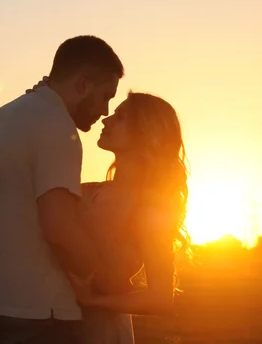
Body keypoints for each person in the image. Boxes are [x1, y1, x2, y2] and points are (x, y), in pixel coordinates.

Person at [0, 35, 125, 344]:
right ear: (82, 84)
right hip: (37, 318)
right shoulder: (56, 126)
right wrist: (103, 277)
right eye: (106, 96)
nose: (106, 110)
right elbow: (58, 227)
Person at [28, 78, 191, 344]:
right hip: (54, 327)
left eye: (121, 116)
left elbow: (161, 298)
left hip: (100, 332)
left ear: (146, 133)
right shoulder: (85, 189)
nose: (106, 120)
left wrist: (94, 300)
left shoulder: (150, 207)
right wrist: (43, 106)